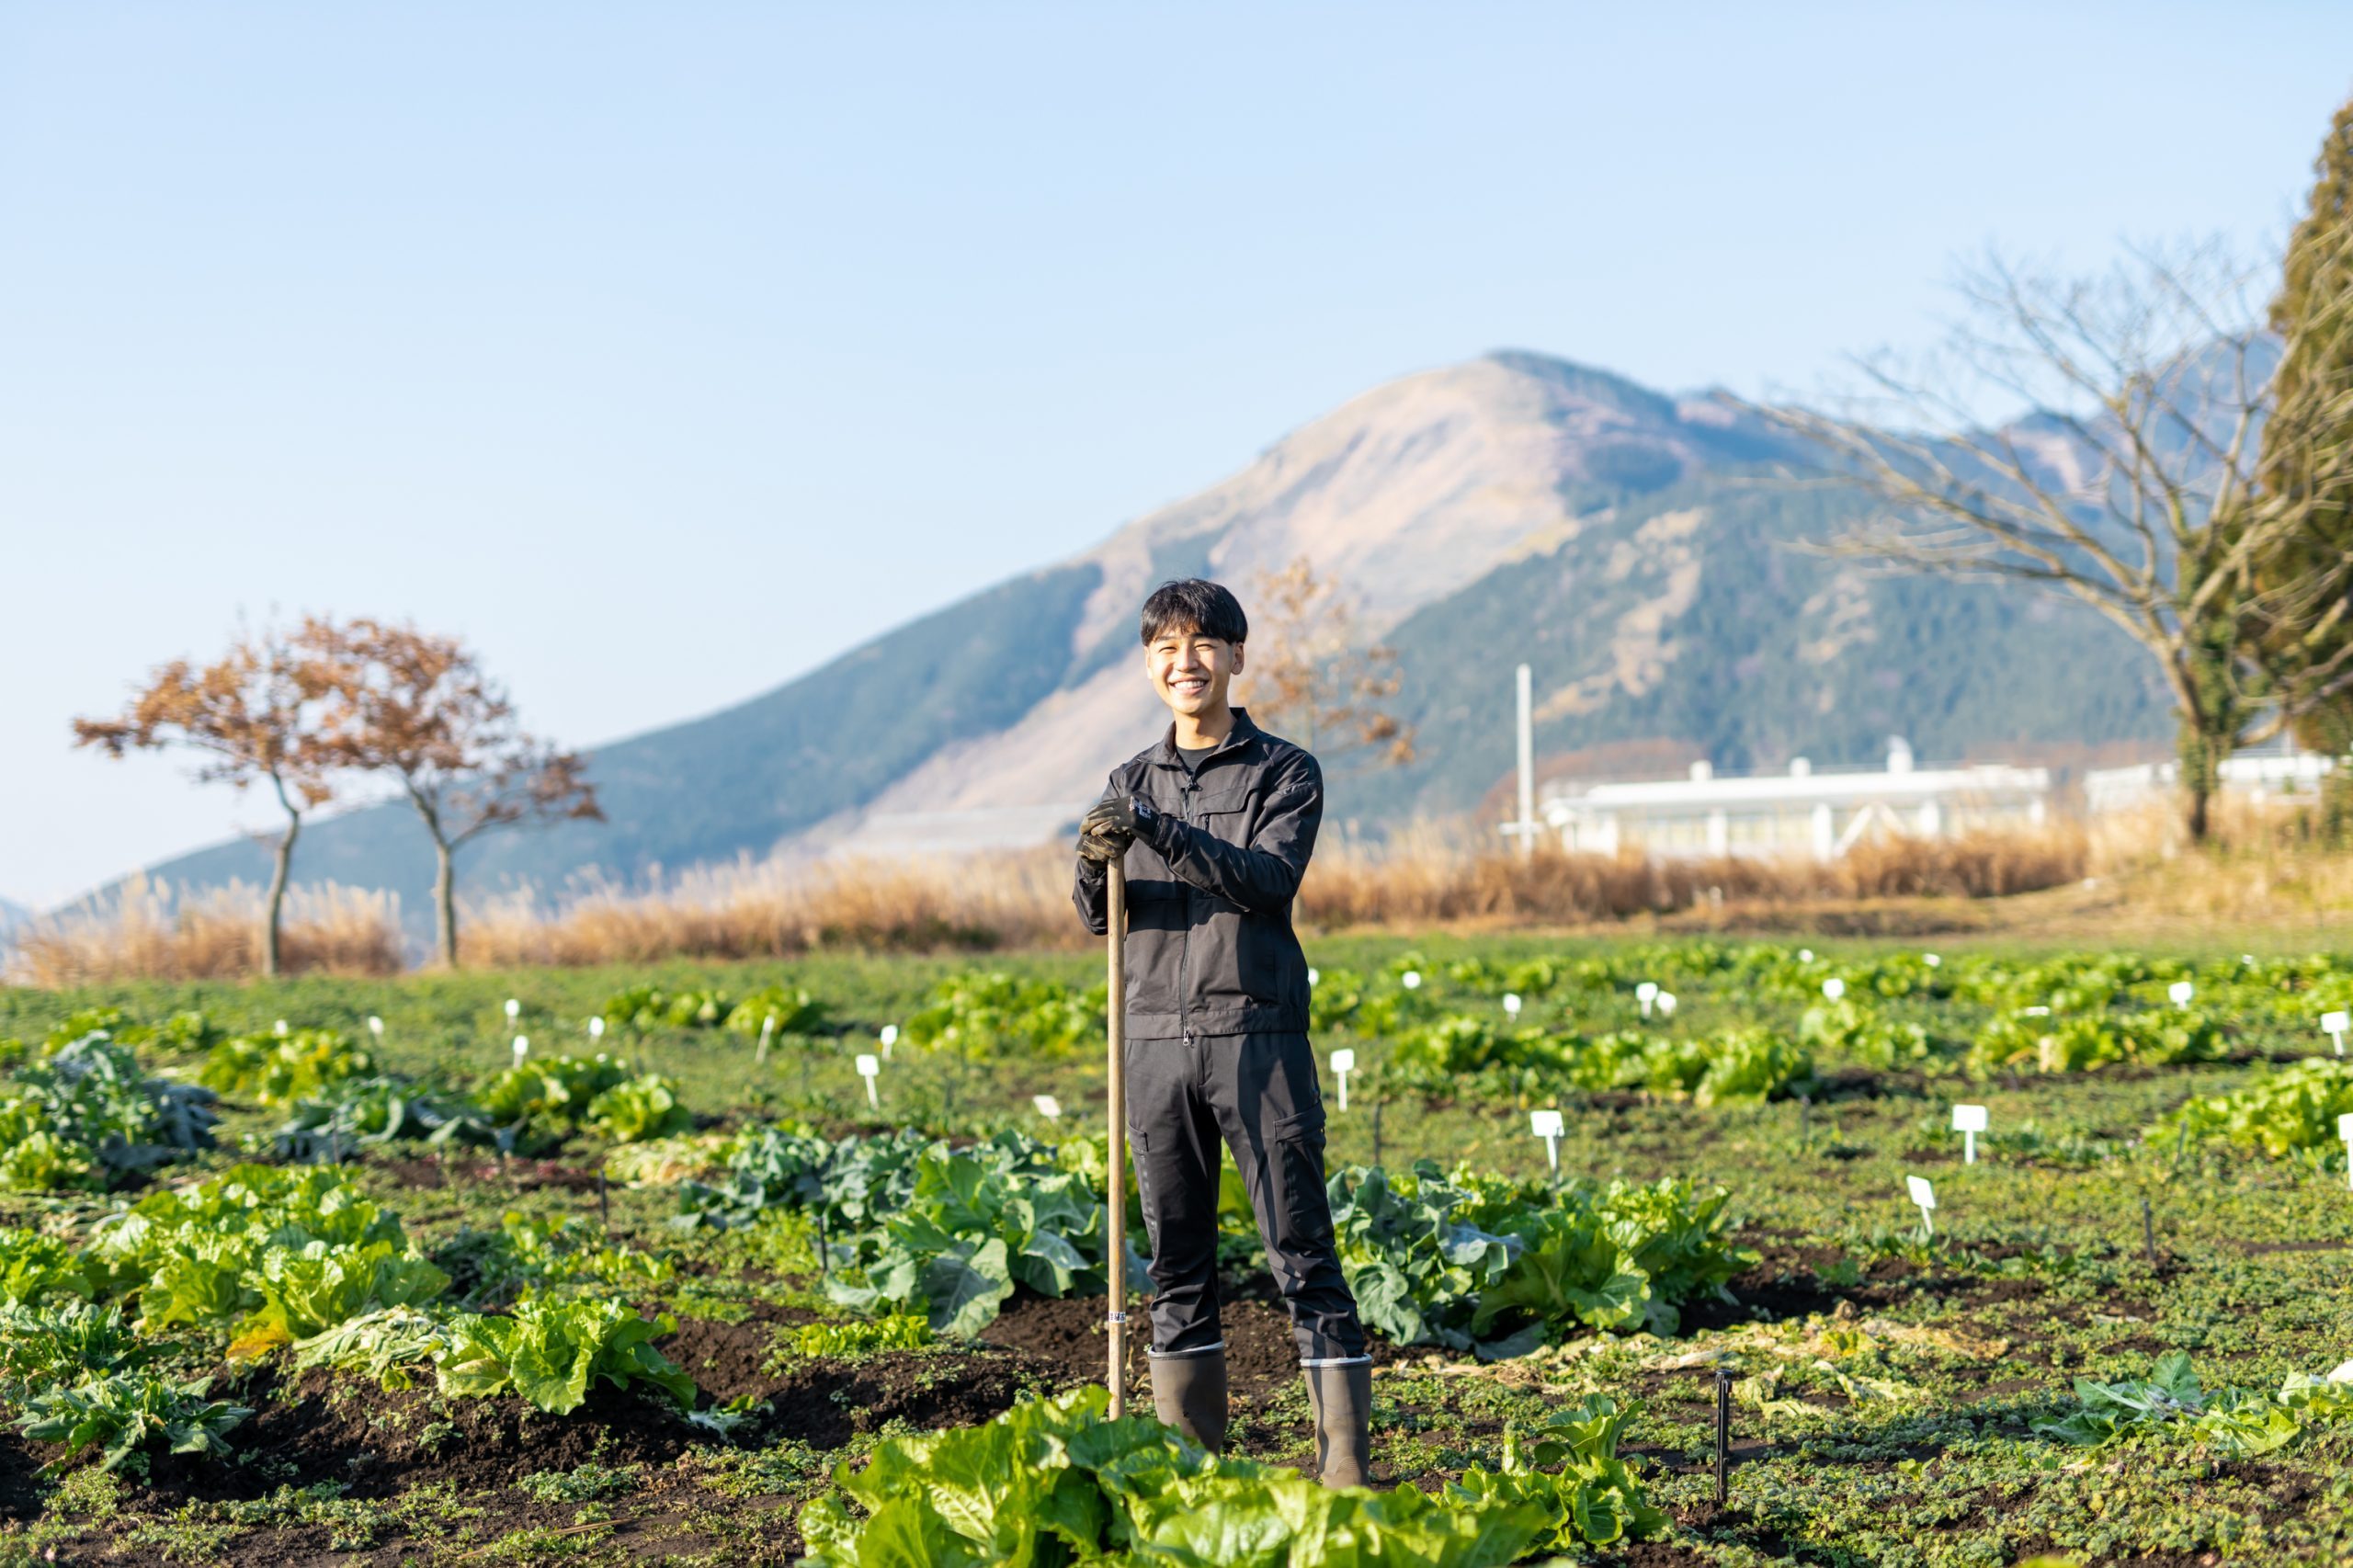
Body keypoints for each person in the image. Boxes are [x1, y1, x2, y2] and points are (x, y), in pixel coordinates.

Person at [1072, 576, 1373, 1488]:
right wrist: (1092, 860)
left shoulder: (1285, 771)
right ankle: (1192, 1469)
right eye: (1166, 647)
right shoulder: (1128, 780)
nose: (1186, 662)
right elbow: (1102, 918)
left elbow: (1267, 881)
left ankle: (1344, 1471)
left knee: (1301, 1250)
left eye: (1203, 643)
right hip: (1152, 1042)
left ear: (1237, 656)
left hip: (1255, 1035)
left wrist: (1158, 830)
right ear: (1148, 665)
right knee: (1176, 1261)